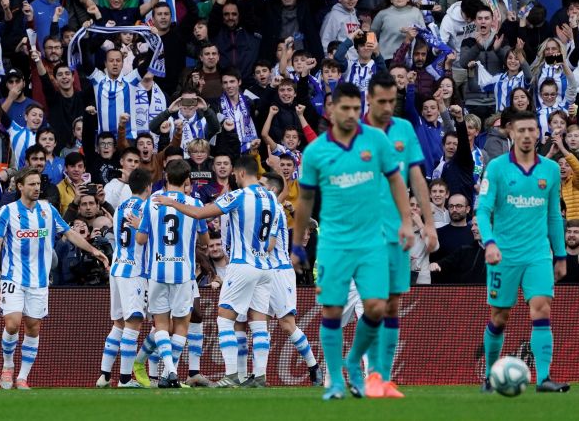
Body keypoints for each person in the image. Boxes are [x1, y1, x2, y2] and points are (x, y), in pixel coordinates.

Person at [290, 82, 413, 400]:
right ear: (330, 109)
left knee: (375, 308)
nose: (351, 114)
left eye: (356, 108)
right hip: (333, 243)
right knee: (332, 312)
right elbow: (304, 199)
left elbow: (397, 181)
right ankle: (335, 383)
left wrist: (407, 222)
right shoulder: (316, 151)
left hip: (372, 241)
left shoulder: (376, 140)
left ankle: (353, 361)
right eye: (344, 108)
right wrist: (297, 244)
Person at [153, 155, 279, 388]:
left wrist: (172, 203)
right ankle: (259, 376)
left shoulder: (239, 195)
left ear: (240, 173)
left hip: (243, 265)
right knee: (259, 323)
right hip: (266, 267)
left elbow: (202, 214)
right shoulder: (272, 198)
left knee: (224, 319)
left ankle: (231, 375)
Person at [0, 167, 109, 390]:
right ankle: (8, 364)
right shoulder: (7, 211)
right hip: (14, 277)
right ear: (20, 186)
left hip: (40, 280)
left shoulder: (47, 210)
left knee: (33, 327)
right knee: (12, 325)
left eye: (38, 184)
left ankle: (22, 377)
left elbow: (68, 232)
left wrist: (93, 250)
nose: (36, 187)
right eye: (31, 184)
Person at [476, 109, 570, 393]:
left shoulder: (550, 170)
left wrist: (561, 254)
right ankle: (491, 376)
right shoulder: (496, 168)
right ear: (511, 133)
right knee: (499, 316)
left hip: (538, 254)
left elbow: (554, 215)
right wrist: (490, 243)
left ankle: (543, 379)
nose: (528, 135)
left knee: (541, 309)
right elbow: (482, 210)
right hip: (503, 255)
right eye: (522, 130)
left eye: (532, 130)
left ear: (538, 133)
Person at [362, 72, 438, 396]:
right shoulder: (353, 133)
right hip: (363, 232)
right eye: (381, 101)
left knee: (392, 305)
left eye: (392, 101)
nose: (387, 107)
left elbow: (417, 177)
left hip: (398, 231)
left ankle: (384, 378)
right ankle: (369, 375)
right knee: (374, 304)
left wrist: (430, 224)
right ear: (368, 99)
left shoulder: (404, 130)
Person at [135, 160, 209, 388]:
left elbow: (141, 239)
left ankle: (169, 371)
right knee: (181, 326)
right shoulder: (195, 203)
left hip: (157, 271)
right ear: (188, 180)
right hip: (184, 274)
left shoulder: (152, 202)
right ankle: (171, 372)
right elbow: (205, 241)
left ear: (165, 176)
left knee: (160, 325)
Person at [258, 171, 323, 386]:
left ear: (272, 189)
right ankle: (260, 376)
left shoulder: (275, 209)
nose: (258, 188)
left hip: (279, 271)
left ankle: (314, 367)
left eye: (262, 185)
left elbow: (269, 245)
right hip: (264, 271)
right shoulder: (265, 207)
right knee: (261, 325)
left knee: (287, 324)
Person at [96, 168, 152, 389]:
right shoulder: (145, 208)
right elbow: (142, 239)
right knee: (133, 322)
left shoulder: (120, 207)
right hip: (134, 272)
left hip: (117, 268)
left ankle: (104, 375)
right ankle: (125, 379)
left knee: (118, 324)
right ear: (149, 186)